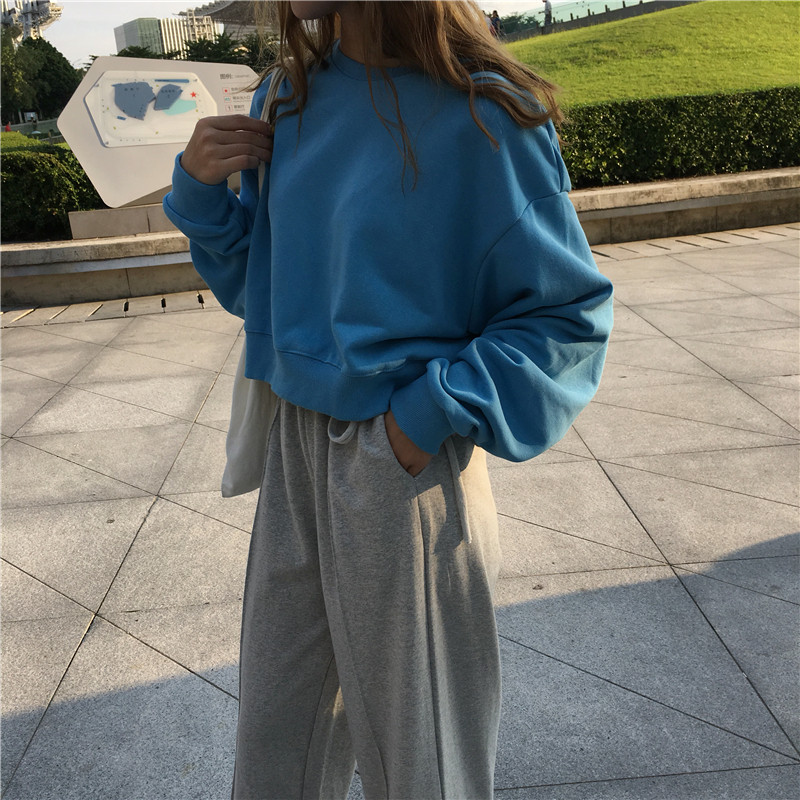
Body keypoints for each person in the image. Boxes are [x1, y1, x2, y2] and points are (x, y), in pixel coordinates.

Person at [163, 1, 612, 798]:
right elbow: (269, 293)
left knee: (422, 767)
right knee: (273, 752)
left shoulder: (484, 112)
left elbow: (563, 317)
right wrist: (201, 199)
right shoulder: (285, 98)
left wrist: (418, 421)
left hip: (406, 471)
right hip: (295, 451)